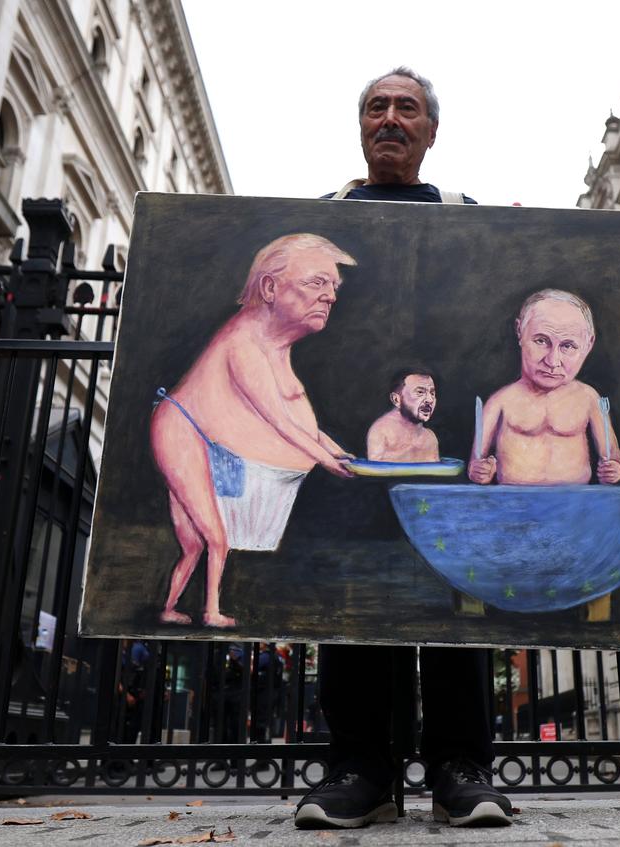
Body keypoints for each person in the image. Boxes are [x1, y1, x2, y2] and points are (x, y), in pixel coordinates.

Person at [294, 67, 512, 831]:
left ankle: (460, 767)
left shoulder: (467, 216)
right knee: (357, 597)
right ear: (361, 126)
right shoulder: (317, 220)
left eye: (406, 107)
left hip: (448, 433)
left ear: (431, 130)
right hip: (348, 429)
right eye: (376, 106)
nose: (390, 117)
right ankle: (361, 767)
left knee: (454, 595)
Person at [150, 234, 357, 628]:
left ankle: (169, 608)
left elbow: (300, 420)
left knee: (193, 543)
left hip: (196, 436)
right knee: (215, 537)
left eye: (333, 286)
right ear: (270, 287)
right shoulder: (243, 341)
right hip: (180, 433)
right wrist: (326, 459)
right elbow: (278, 419)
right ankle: (211, 611)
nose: (330, 296)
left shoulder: (276, 345)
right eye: (317, 282)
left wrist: (335, 450)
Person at [469, 289, 620, 486]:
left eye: (568, 346)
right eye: (541, 341)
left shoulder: (589, 399)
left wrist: (615, 470)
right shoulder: (500, 401)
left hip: (576, 502)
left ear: (588, 344)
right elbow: (475, 465)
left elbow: (618, 462)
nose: (553, 361)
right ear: (520, 331)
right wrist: (481, 471)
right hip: (514, 502)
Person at [366, 368, 440, 462]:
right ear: (396, 399)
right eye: (420, 392)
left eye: (432, 393)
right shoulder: (382, 432)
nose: (430, 400)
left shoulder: (430, 438)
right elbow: (374, 469)